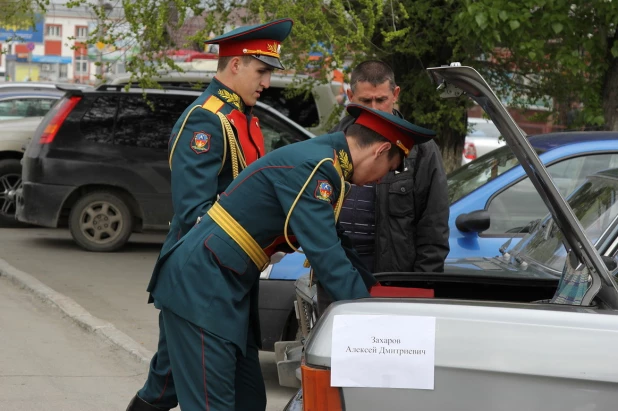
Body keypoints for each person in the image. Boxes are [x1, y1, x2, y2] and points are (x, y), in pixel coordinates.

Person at [144, 103, 435, 411]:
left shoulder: (329, 163)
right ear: (380, 150)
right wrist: (375, 321)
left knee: (249, 401)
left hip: (226, 283)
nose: (381, 180)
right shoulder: (318, 168)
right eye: (390, 169)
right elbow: (327, 256)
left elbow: (341, 245)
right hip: (202, 284)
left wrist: (381, 297)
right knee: (210, 405)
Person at [126, 18, 294, 411]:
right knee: (224, 397)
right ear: (235, 65)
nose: (267, 82)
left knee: (164, 386)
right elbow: (195, 213)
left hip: (229, 279)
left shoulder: (243, 118)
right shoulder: (208, 119)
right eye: (262, 71)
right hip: (206, 281)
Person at [331, 60, 450, 274]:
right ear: (350, 97)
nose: (374, 109)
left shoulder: (421, 150)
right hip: (337, 271)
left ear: (395, 95)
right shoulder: (332, 142)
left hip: (393, 279)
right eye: (365, 101)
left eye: (381, 100)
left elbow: (433, 227)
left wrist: (422, 286)